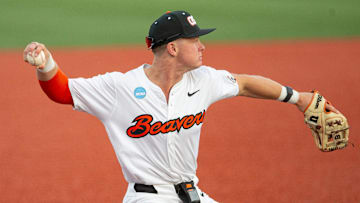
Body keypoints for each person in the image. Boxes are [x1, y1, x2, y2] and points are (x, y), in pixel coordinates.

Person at [23, 10, 339, 203]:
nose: (202, 45)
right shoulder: (120, 88)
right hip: (146, 198)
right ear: (173, 48)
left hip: (192, 194)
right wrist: (45, 63)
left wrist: (299, 98)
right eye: (194, 40)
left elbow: (244, 83)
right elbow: (63, 91)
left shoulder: (204, 79)